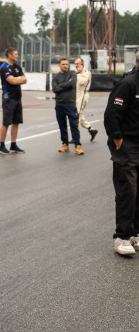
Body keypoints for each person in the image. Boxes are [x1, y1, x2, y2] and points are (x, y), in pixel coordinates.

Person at [104, 51, 139, 255]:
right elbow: (111, 114)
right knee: (128, 191)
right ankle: (122, 237)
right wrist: (117, 138)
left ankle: (135, 234)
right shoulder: (127, 84)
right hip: (126, 145)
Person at [0, 46, 27, 155]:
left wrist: (17, 79)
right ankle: (1, 145)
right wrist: (18, 79)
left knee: (16, 122)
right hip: (8, 98)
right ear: (9, 55)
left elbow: (25, 79)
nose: (17, 56)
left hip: (18, 98)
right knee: (6, 123)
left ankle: (13, 145)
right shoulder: (3, 68)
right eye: (15, 54)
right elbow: (12, 81)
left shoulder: (17, 67)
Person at [52, 58, 84, 155]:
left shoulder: (73, 73)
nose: (66, 66)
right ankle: (65, 144)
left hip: (70, 104)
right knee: (62, 126)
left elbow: (72, 83)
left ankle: (77, 145)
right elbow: (54, 89)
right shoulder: (56, 76)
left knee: (74, 126)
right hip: (59, 105)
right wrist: (66, 85)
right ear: (59, 65)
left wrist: (60, 86)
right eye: (63, 64)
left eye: (67, 64)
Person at [74, 58, 98, 141]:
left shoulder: (86, 72)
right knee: (78, 115)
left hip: (82, 95)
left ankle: (76, 137)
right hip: (76, 95)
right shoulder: (77, 72)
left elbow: (82, 82)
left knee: (77, 116)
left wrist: (77, 73)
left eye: (78, 63)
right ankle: (91, 129)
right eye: (75, 63)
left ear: (82, 64)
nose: (76, 65)